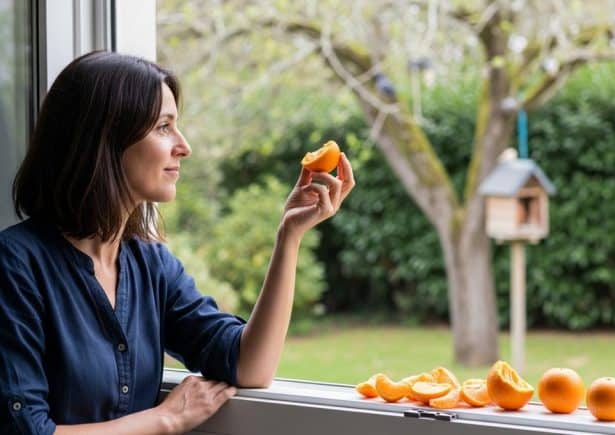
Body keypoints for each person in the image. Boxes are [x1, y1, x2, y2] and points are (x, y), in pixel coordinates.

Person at [0, 50, 355, 435]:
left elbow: (249, 366)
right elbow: (27, 431)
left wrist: (289, 236)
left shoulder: (151, 264)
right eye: (163, 127)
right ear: (105, 140)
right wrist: (165, 419)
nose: (183, 146)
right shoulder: (15, 266)